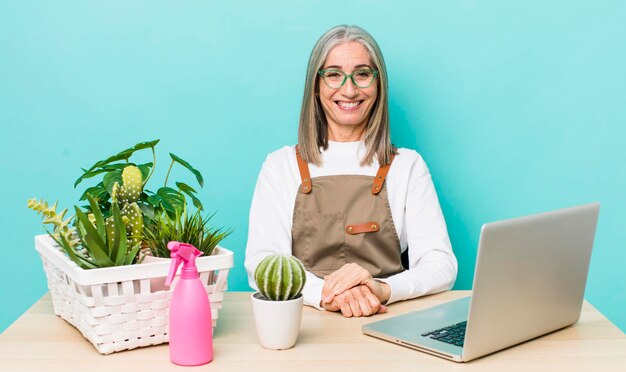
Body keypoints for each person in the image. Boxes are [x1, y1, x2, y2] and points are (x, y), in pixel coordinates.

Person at [245, 25, 457, 318]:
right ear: (316, 86)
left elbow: (441, 264)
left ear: (378, 83)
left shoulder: (408, 166)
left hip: (388, 320)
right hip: (306, 327)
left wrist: (382, 289)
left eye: (362, 74)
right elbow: (262, 263)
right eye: (333, 74)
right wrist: (326, 295)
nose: (349, 89)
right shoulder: (280, 166)